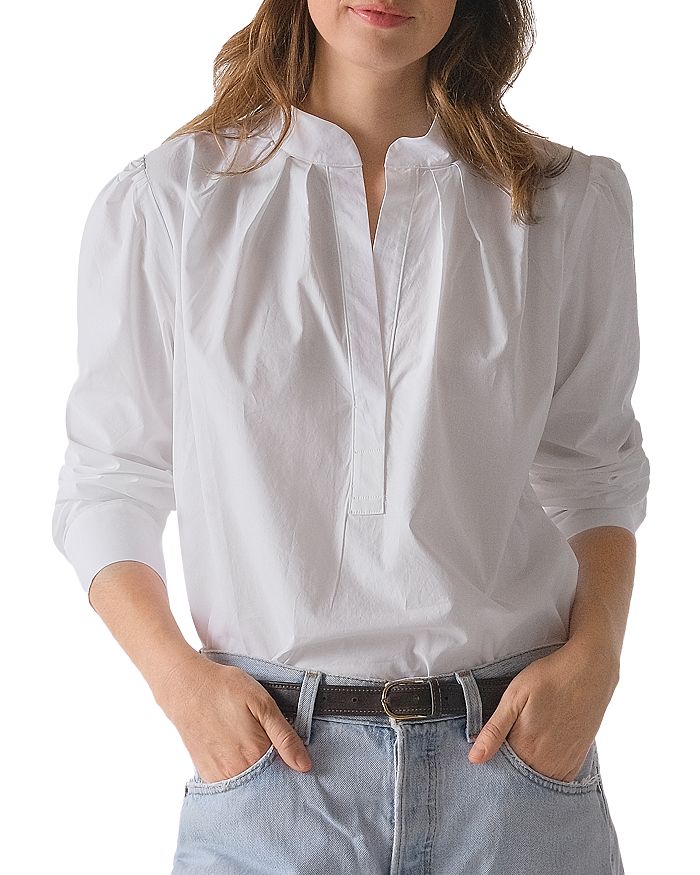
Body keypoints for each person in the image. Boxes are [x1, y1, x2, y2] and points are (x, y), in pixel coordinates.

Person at [51, 1, 649, 872]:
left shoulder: (566, 201)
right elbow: (110, 482)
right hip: (270, 774)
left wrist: (598, 657)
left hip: (516, 772)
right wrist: (180, 684)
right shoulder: (168, 202)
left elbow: (595, 475)